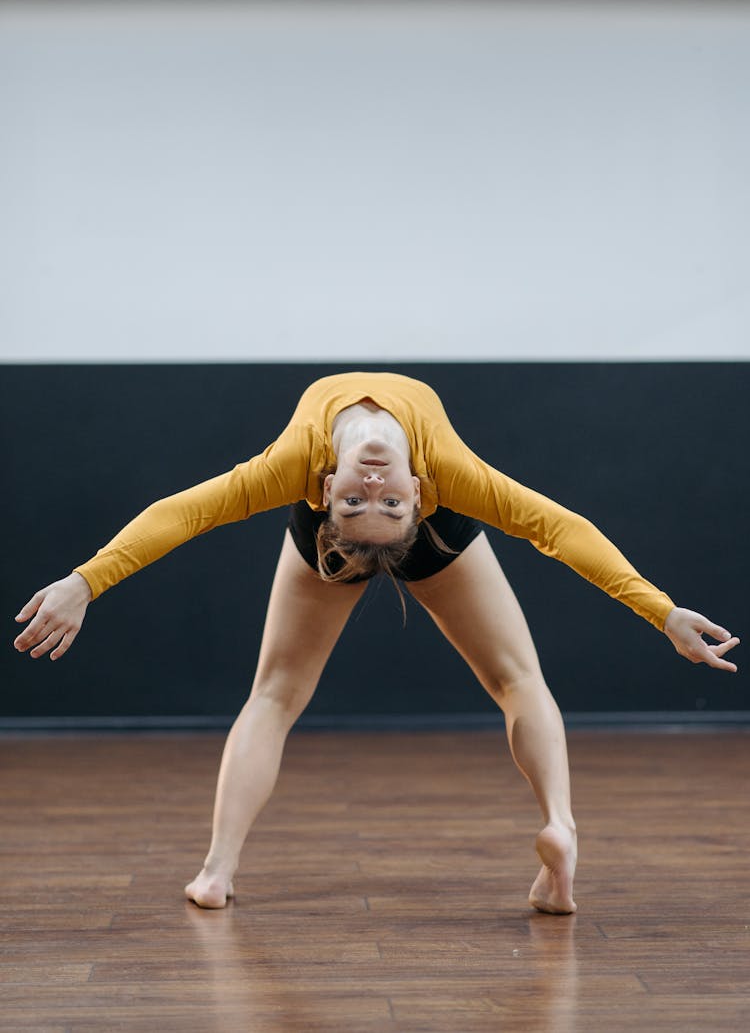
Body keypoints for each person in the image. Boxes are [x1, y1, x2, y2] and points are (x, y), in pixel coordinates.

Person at [13, 372, 740, 913]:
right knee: (510, 680)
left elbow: (561, 531)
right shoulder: (390, 477)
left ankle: (219, 871)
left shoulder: (327, 467)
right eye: (368, 500)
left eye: (381, 501)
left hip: (423, 539)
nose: (371, 488)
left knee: (280, 695)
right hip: (332, 546)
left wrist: (660, 610)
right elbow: (185, 515)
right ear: (325, 492)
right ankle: (557, 830)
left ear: (416, 497)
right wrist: (88, 581)